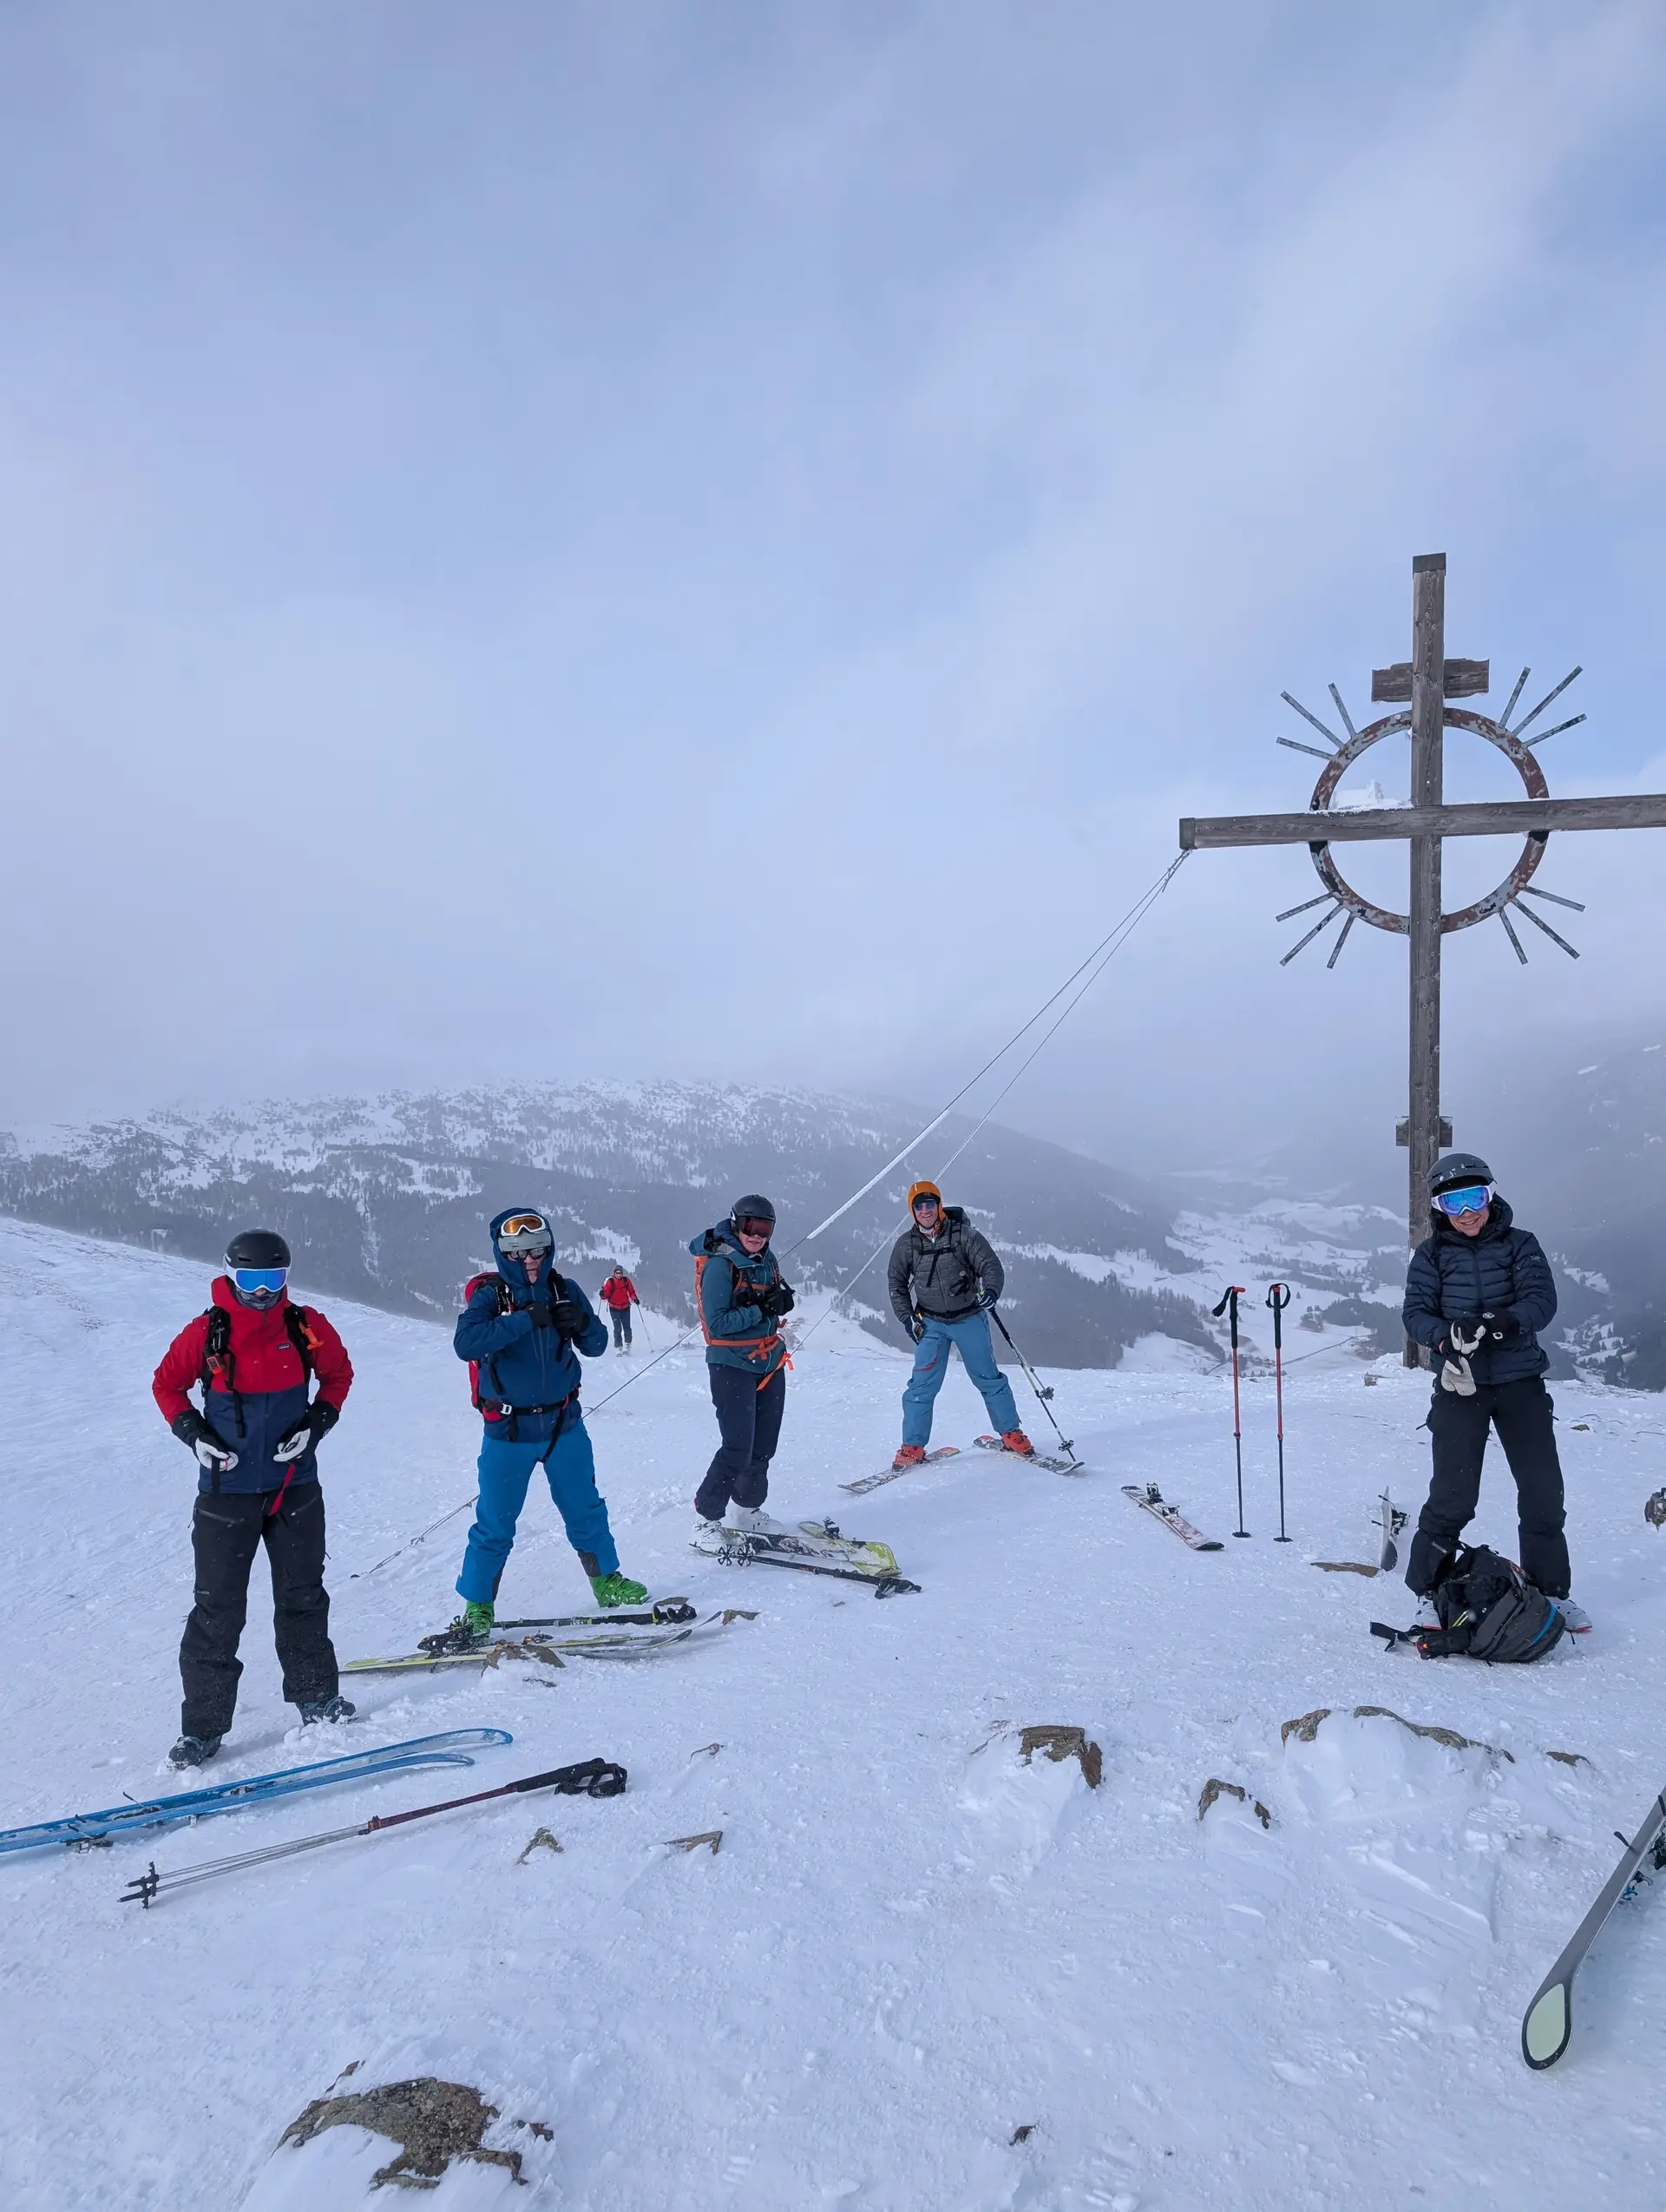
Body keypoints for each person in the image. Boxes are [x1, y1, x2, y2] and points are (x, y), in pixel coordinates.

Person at [152, 1228, 356, 1769]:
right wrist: (193, 1434)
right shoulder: (208, 1330)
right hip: (227, 1493)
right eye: (251, 1279)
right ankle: (202, 1729)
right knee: (217, 1609)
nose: (262, 1291)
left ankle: (316, 1697)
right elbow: (166, 1386)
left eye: (274, 1279)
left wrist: (317, 1423)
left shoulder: (305, 1325)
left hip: (295, 1488)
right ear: (230, 1273)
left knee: (303, 1595)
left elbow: (338, 1375)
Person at [1401, 1152, 1585, 1630]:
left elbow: (1541, 1301)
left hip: (1520, 1382)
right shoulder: (1431, 1256)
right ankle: (1429, 1591)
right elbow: (1415, 1313)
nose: (1467, 1211)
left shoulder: (1521, 1244)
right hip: (1460, 1386)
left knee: (1542, 1492)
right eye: (1453, 1200)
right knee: (1453, 1495)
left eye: (1475, 1197)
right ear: (1439, 1207)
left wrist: (1503, 1323)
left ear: (1491, 1194)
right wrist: (1444, 1337)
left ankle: (1551, 1594)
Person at [448, 1208, 646, 1641]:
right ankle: (478, 1605)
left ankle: (607, 1582)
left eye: (536, 1249)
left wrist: (579, 1322)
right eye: (516, 1252)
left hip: (563, 1425)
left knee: (585, 1507)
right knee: (495, 1522)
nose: (529, 1259)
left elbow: (595, 1346)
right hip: (508, 1431)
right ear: (502, 1253)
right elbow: (466, 1344)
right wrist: (524, 1320)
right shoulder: (491, 1296)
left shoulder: (564, 1289)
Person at [887, 1180, 1032, 1468]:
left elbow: (990, 1266)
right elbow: (896, 1284)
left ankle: (1011, 1432)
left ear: (939, 1205)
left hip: (969, 1316)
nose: (925, 1211)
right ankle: (912, 1446)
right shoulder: (907, 1244)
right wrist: (907, 1318)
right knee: (921, 1386)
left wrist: (991, 1291)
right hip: (931, 1323)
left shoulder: (964, 1235)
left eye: (930, 1204)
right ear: (912, 1211)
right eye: (919, 1206)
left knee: (988, 1378)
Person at [687, 1194, 795, 1552]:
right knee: (737, 1447)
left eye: (765, 1229)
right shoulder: (721, 1264)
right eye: (750, 1227)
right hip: (731, 1364)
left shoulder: (766, 1258)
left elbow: (769, 1297)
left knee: (762, 1447)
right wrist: (763, 1309)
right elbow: (717, 1325)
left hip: (768, 1362)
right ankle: (705, 1520)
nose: (757, 1235)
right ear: (736, 1223)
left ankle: (748, 1511)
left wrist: (780, 1299)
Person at [599, 1264, 640, 1351]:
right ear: (614, 1273)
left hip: (625, 1308)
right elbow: (606, 1294)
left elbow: (631, 1291)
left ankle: (628, 1345)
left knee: (627, 1328)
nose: (619, 1275)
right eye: (617, 1273)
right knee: (617, 1329)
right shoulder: (610, 1282)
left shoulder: (626, 1281)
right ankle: (619, 1348)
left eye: (620, 1273)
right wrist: (602, 1294)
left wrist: (635, 1299)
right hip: (614, 1309)